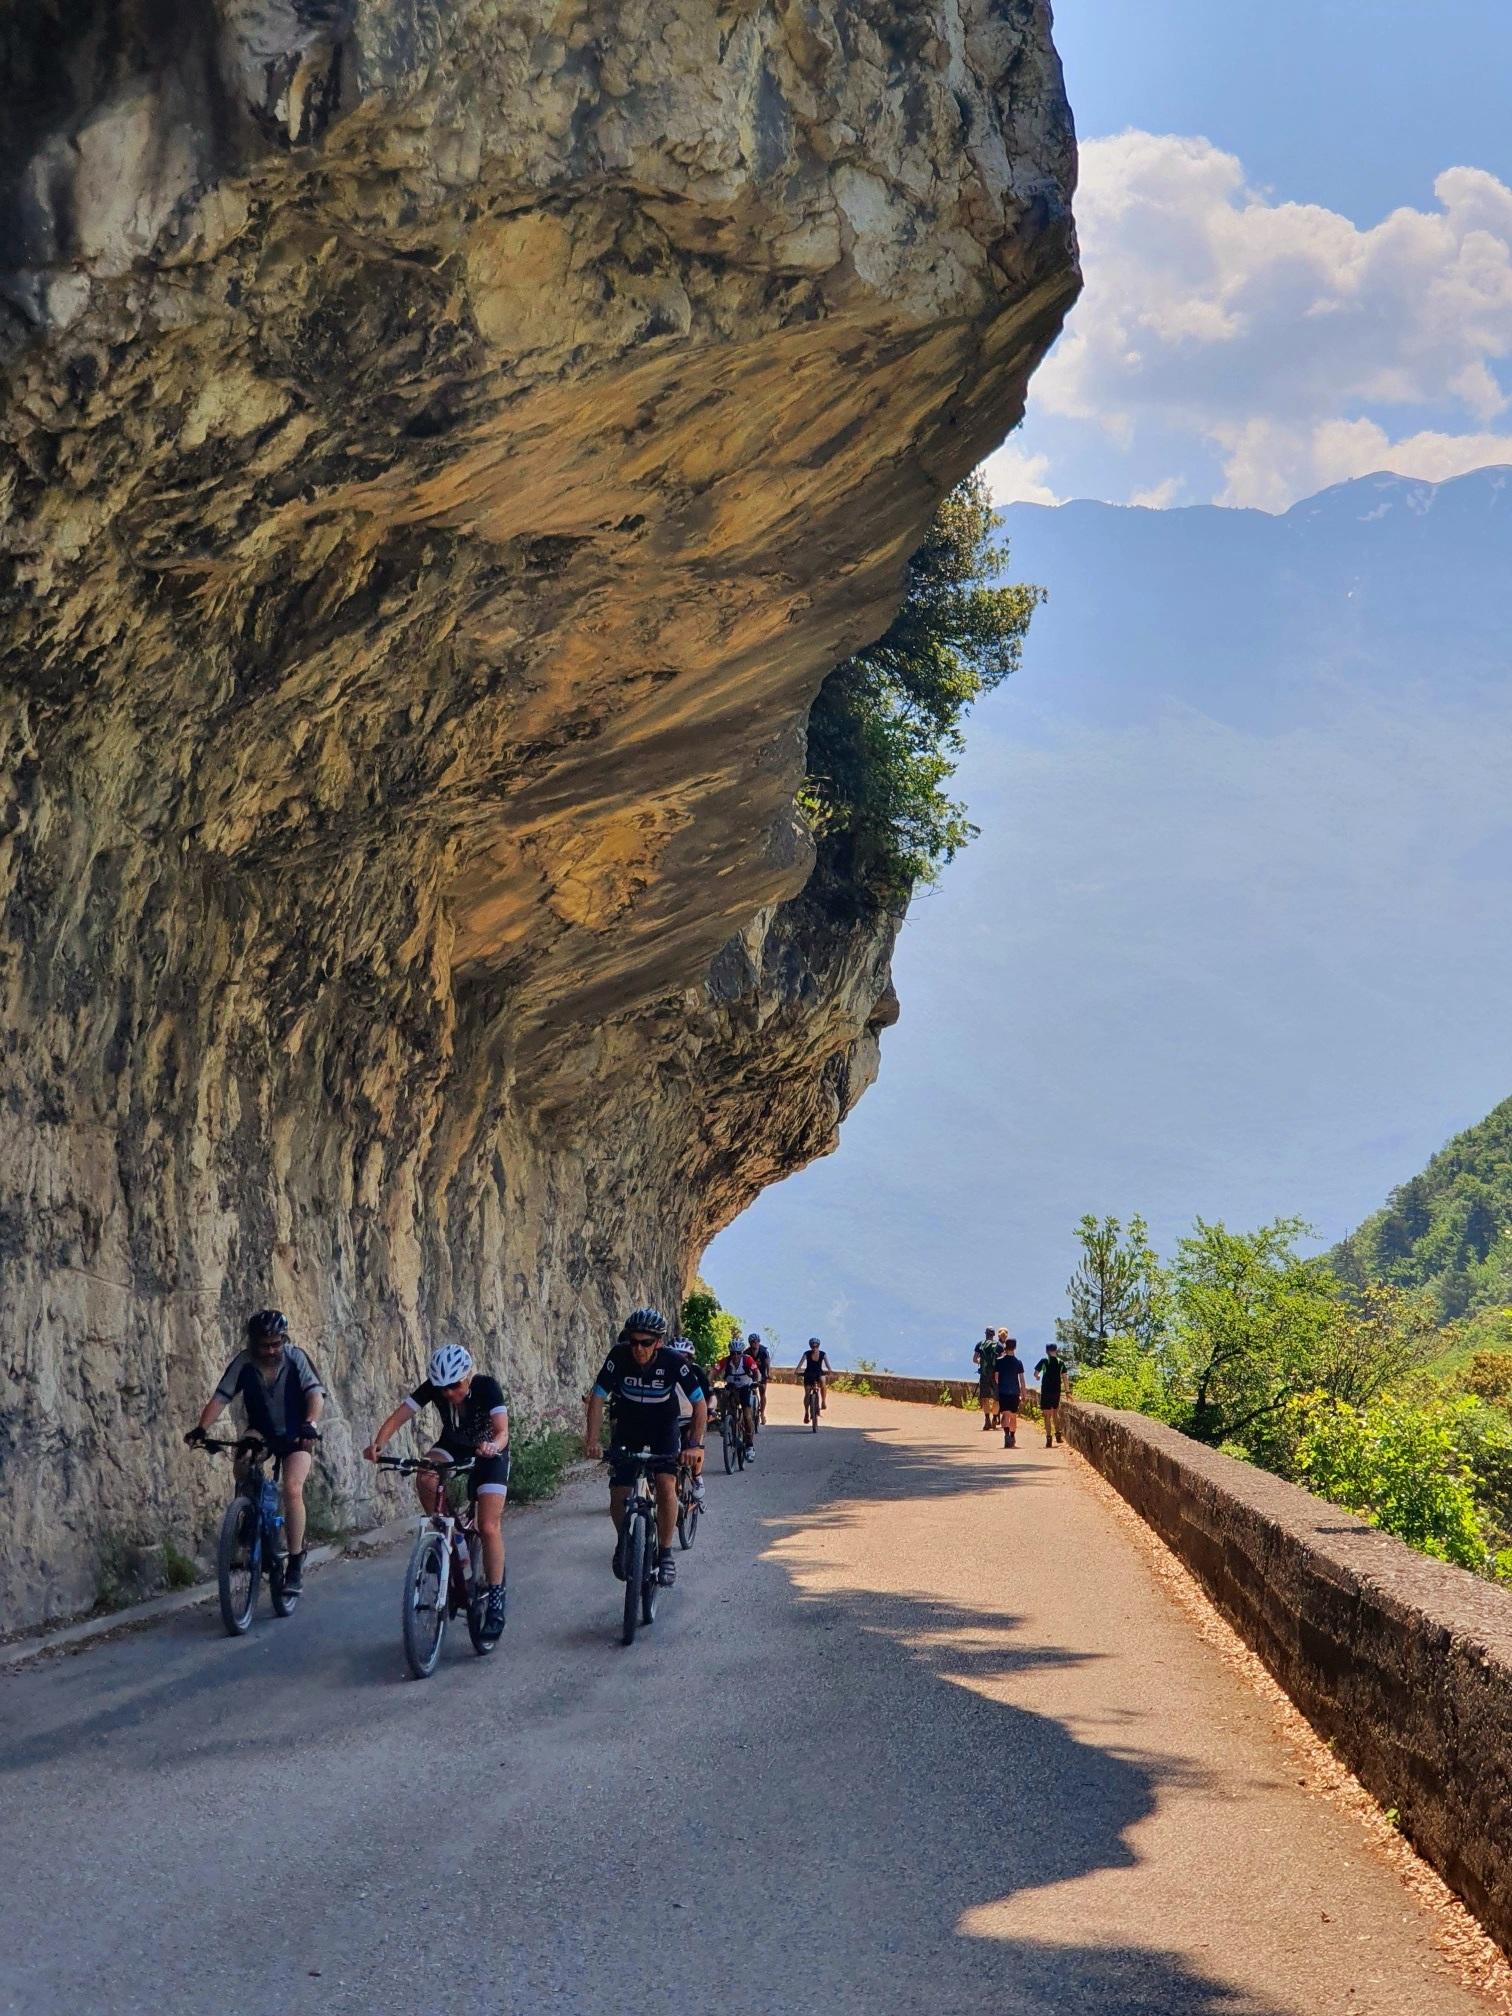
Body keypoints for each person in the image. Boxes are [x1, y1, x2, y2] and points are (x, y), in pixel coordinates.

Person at [364, 1342, 511, 1639]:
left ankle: (495, 1600)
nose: (448, 1394)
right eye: (442, 1388)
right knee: (426, 1474)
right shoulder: (436, 1388)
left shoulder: (486, 1387)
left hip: (489, 1453)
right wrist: (379, 1442)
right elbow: (400, 1415)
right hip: (454, 1447)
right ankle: (449, 1534)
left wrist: (492, 1446)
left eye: (454, 1386)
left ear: (466, 1377)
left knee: (488, 1525)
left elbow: (502, 1430)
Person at [185, 1310, 324, 1593]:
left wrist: (310, 1423)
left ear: (283, 1339)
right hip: (262, 1430)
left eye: (276, 1343)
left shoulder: (296, 1358)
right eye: (264, 1344)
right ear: (253, 1342)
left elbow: (315, 1395)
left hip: (298, 1432)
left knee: (292, 1489)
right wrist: (201, 1428)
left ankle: (295, 1562)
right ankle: (249, 1513)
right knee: (243, 1459)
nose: (270, 1350)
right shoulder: (244, 1362)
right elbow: (220, 1397)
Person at [584, 1307, 707, 1587]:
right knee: (619, 1494)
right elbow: (598, 1398)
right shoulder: (619, 1356)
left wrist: (694, 1445)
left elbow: (699, 1403)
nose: (638, 1348)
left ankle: (665, 1554)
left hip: (663, 1426)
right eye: (633, 1341)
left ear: (659, 1343)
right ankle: (623, 1542)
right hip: (629, 1426)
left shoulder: (674, 1362)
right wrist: (591, 1441)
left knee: (666, 1485)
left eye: (646, 1343)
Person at [670, 1336, 709, 1508]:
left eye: (684, 1356)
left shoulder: (696, 1372)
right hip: (669, 1419)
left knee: (695, 1444)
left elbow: (710, 1397)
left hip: (690, 1418)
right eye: (676, 1355)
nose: (680, 1359)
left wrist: (711, 1410)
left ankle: (697, 1477)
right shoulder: (663, 1370)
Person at [715, 1336, 761, 1455]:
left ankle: (750, 1446)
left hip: (745, 1387)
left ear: (742, 1353)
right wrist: (709, 1383)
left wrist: (756, 1382)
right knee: (724, 1396)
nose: (735, 1356)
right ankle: (725, 1421)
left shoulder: (748, 1360)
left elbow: (756, 1373)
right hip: (732, 1387)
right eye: (733, 1353)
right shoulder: (725, 1361)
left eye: (738, 1353)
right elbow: (713, 1371)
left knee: (747, 1416)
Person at [1034, 1343, 1068, 1447]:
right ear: (1056, 1350)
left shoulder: (1044, 1361)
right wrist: (1067, 1391)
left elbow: (1036, 1373)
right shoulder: (1060, 1362)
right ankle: (1058, 1436)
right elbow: (1065, 1377)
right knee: (1055, 1413)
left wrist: (1038, 1377)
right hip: (1056, 1391)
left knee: (1047, 1416)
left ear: (1046, 1351)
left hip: (1046, 1391)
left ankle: (1049, 1438)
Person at [995, 1337, 1026, 1450]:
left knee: (1005, 1414)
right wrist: (1024, 1393)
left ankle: (1007, 1434)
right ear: (1015, 1347)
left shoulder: (999, 1361)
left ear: (1005, 1347)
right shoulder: (1018, 1362)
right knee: (1013, 1416)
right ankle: (1012, 1437)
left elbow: (996, 1378)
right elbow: (1022, 1380)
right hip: (1014, 1392)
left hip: (1003, 1392)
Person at [972, 1325, 1000, 1430]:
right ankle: (994, 1419)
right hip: (996, 1376)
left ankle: (987, 1419)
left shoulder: (980, 1344)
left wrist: (982, 1362)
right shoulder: (999, 1345)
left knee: (985, 1398)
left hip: (984, 1375)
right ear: (993, 1335)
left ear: (986, 1334)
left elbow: (975, 1359)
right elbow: (1002, 1360)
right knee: (997, 1399)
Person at [797, 1337, 832, 1414]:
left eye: (815, 1347)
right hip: (818, 1374)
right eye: (814, 1347)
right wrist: (829, 1372)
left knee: (807, 1393)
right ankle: (823, 1401)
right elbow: (828, 1367)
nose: (814, 1348)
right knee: (823, 1383)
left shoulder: (806, 1353)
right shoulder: (823, 1354)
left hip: (808, 1374)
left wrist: (798, 1372)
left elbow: (799, 1366)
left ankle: (807, 1412)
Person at [747, 1333, 773, 1423]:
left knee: (762, 1392)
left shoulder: (763, 1351)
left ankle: (762, 1413)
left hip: (762, 1373)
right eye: (753, 1342)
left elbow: (767, 1363)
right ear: (750, 1343)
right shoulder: (747, 1352)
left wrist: (767, 1374)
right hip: (751, 1374)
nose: (755, 1343)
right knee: (749, 1390)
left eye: (757, 1341)